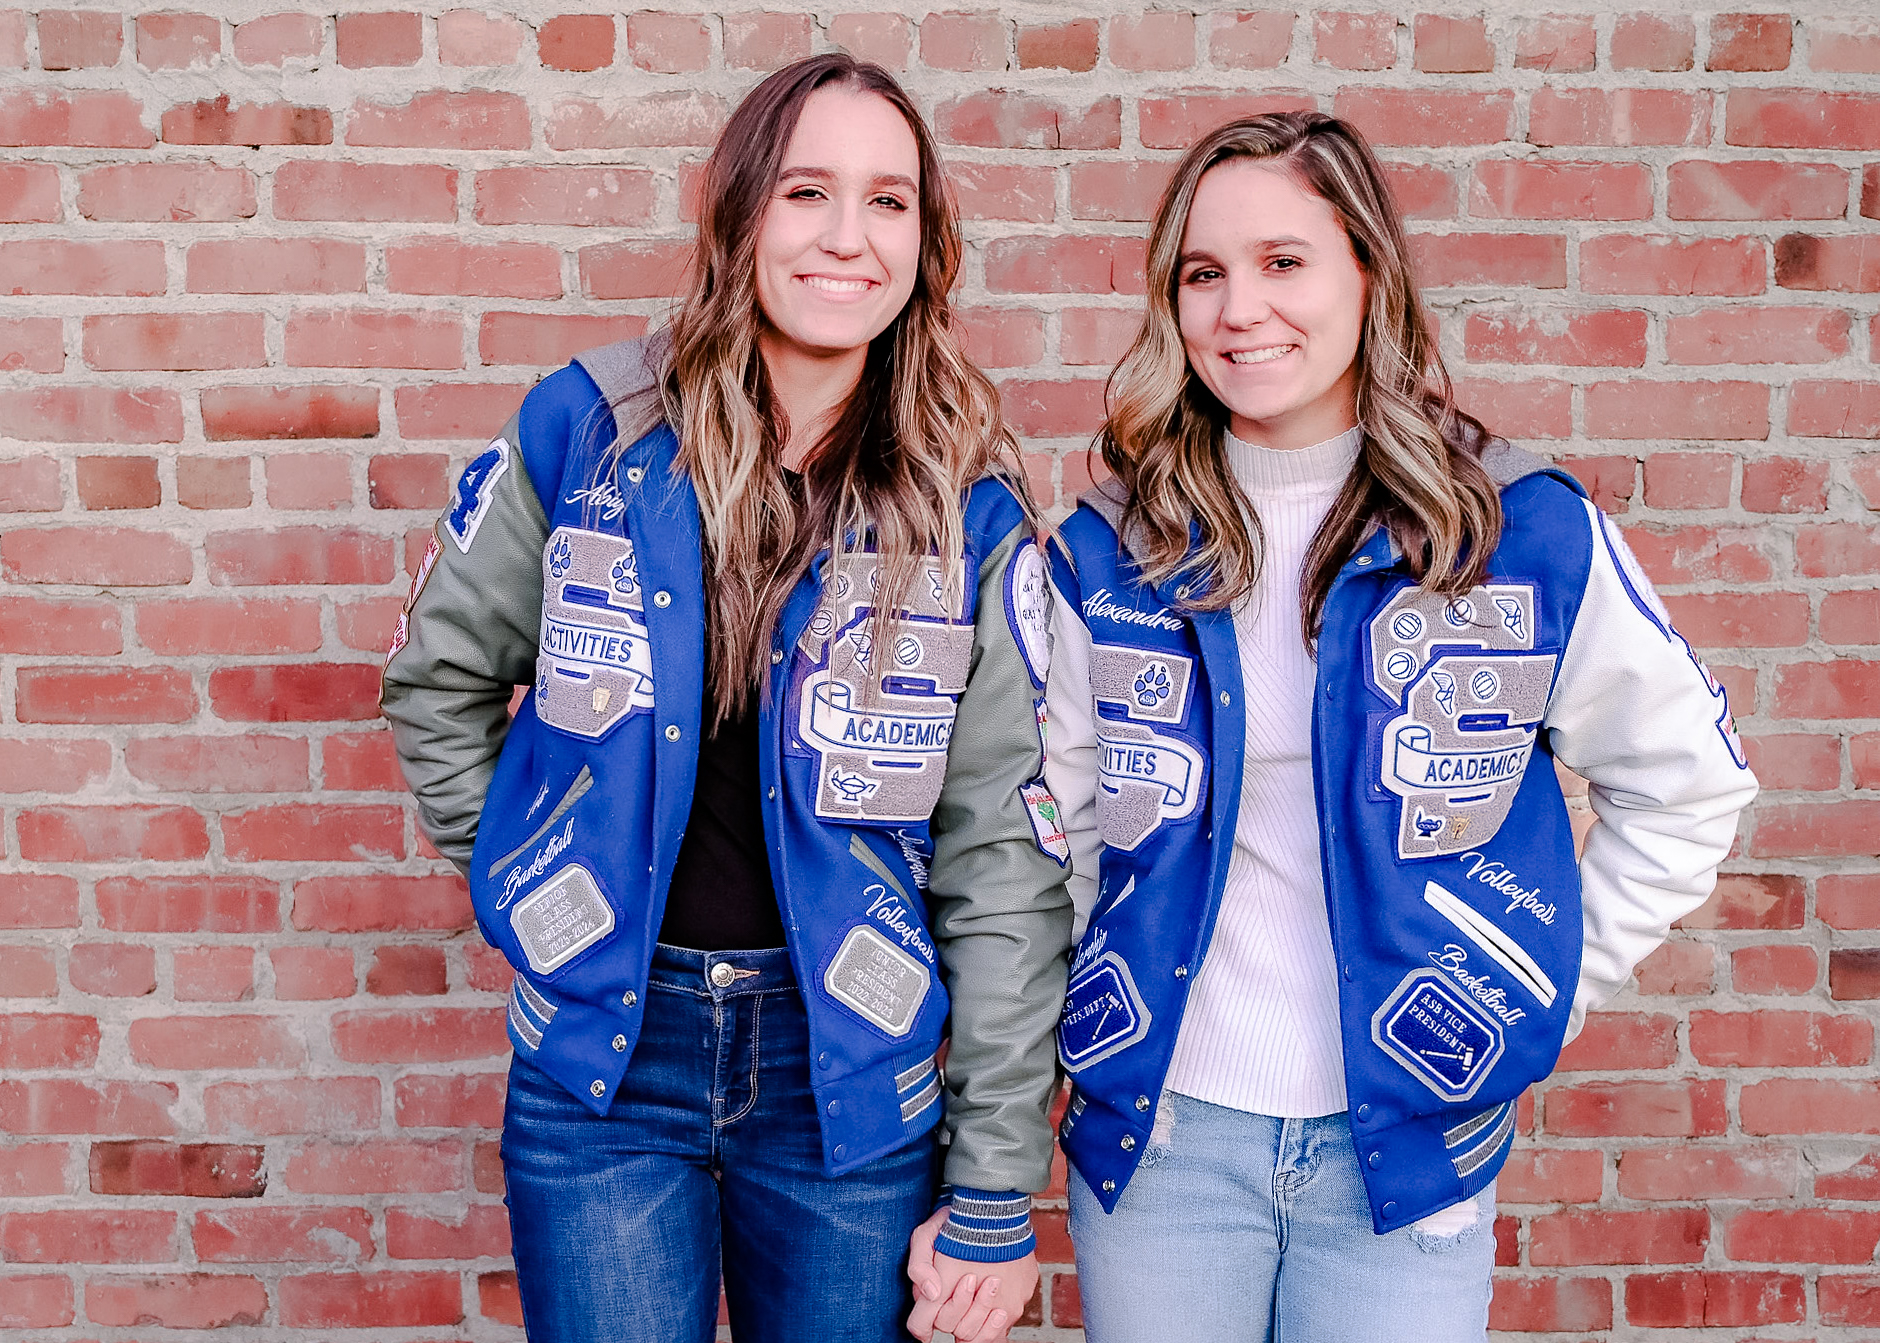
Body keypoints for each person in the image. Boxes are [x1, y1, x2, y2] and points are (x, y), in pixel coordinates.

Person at [380, 52, 1070, 1343]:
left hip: (850, 1087)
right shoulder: (590, 434)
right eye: (808, 191)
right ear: (739, 210)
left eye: (890, 201)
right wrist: (532, 879)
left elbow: (1003, 854)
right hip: (605, 1073)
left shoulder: (966, 506)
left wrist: (991, 1178)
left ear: (928, 240)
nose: (847, 238)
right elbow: (440, 679)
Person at [1036, 111, 1759, 1341]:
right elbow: (1067, 838)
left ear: (1366, 272)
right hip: (1162, 1141)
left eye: (1282, 262)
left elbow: (1687, 785)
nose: (1238, 309)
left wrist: (1537, 984)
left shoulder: (1515, 531)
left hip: (1409, 1149)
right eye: (1201, 274)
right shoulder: (1109, 549)